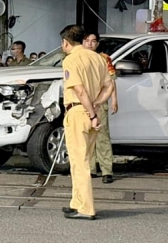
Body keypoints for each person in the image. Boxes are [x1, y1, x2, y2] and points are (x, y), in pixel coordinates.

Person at [59, 25, 113, 220]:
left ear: (66, 42)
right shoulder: (97, 58)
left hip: (78, 112)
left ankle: (86, 208)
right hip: (93, 111)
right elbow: (109, 87)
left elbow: (80, 90)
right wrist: (96, 106)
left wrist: (91, 113)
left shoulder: (70, 60)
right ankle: (77, 202)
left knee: (79, 162)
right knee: (81, 159)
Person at [83, 32, 117, 184]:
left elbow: (111, 82)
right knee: (86, 137)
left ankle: (106, 170)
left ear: (97, 44)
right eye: (87, 40)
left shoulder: (104, 59)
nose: (90, 44)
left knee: (102, 136)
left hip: (99, 101)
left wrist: (114, 100)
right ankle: (89, 169)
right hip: (82, 103)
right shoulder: (77, 58)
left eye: (93, 41)